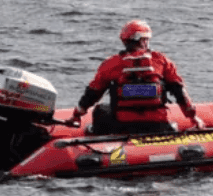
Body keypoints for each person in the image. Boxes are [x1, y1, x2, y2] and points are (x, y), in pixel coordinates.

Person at [66, 20, 205, 134]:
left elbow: (91, 94)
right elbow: (180, 92)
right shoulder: (161, 61)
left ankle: (98, 145)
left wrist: (76, 115)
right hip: (157, 126)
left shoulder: (111, 64)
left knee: (101, 110)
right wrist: (193, 118)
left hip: (122, 126)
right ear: (143, 40)